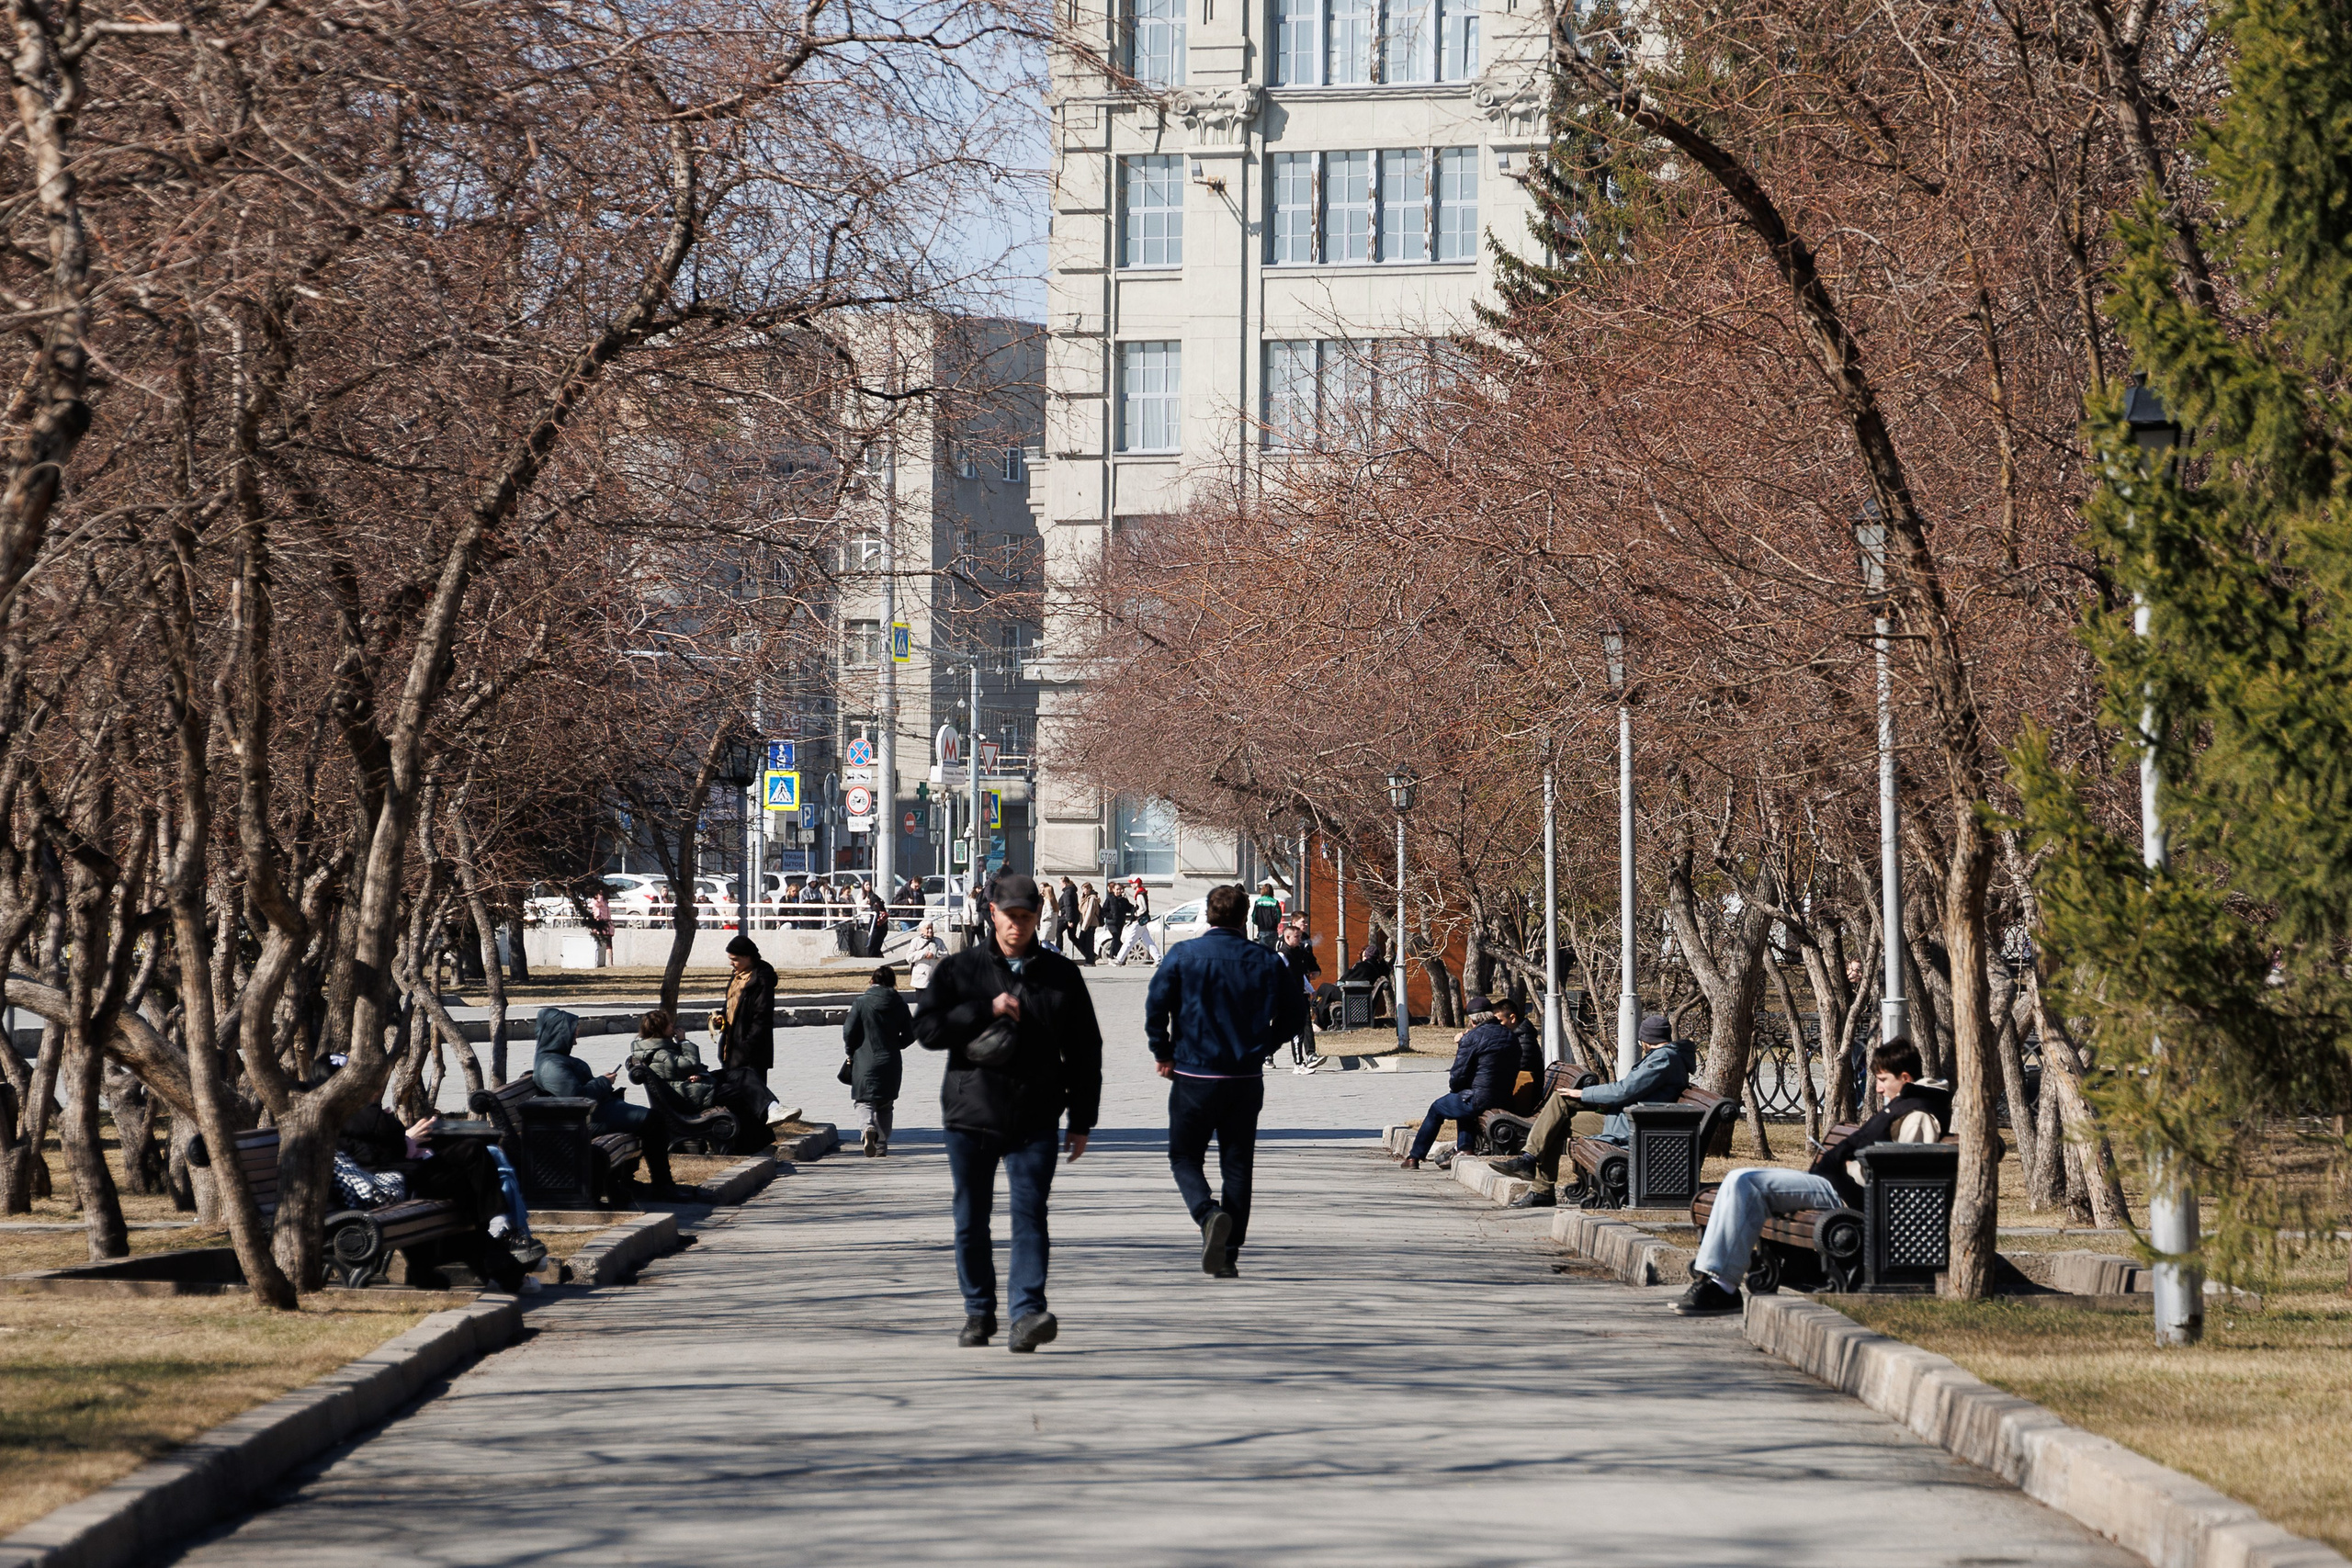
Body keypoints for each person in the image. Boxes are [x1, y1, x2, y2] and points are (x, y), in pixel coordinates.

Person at [913, 872, 1102, 1353]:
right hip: (970, 1114)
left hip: (1035, 1116)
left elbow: (1086, 1051)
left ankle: (1026, 1314)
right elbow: (927, 1031)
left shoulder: (1061, 975)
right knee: (970, 1218)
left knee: (1030, 1214)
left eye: (1026, 916)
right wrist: (984, 1009)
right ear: (992, 914)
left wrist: (1082, 1120)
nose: (1017, 925)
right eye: (1009, 916)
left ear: (1038, 916)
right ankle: (979, 1312)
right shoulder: (959, 970)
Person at [1673, 1039, 1951, 1315]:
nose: (1878, 1088)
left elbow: (1903, 1175)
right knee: (1738, 1177)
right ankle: (1711, 1276)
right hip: (1835, 1185)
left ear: (1905, 1078)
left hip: (1847, 1195)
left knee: (1748, 1184)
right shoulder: (1907, 1104)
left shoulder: (1919, 1113)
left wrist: (1853, 1165)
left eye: (1883, 1080)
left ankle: (1722, 1286)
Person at [1147, 884, 1305, 1279]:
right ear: (1245, 917)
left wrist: (1162, 1051)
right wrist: (1265, 1045)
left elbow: (1157, 1004)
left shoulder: (1184, 954)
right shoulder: (1266, 960)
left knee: (1184, 1156)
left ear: (1208, 915)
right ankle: (1229, 1253)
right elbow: (1294, 1012)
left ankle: (1207, 1213)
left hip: (1193, 1074)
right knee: (1237, 1164)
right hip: (1244, 1076)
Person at [1488, 1014, 1696, 1207]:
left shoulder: (1663, 1059)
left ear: (1646, 1039)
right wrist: (1588, 1097)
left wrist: (1584, 1094)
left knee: (1555, 1122)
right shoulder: (1665, 1057)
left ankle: (1539, 1184)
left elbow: (1625, 1090)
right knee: (1560, 1103)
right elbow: (1631, 1091)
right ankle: (1531, 1165)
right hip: (1628, 1119)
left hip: (1636, 1126)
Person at [337, 1100, 538, 1292]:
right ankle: (501, 1256)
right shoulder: (347, 1111)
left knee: (474, 1154)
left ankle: (499, 1249)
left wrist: (405, 1137)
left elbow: (381, 1145)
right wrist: (407, 1138)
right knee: (466, 1186)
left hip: (403, 1173)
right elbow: (378, 1152)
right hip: (391, 1183)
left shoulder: (357, 1111)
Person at [534, 1006, 683, 1198]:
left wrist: (602, 1083)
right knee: (653, 1121)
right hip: (583, 1121)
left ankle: (630, 1181)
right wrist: (603, 1082)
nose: (576, 1033)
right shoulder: (550, 1065)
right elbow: (577, 1097)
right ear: (558, 1032)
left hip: (596, 1112)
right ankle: (662, 1186)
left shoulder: (556, 1059)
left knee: (653, 1120)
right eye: (572, 1029)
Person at [1398, 996, 1521, 1168]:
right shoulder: (1511, 1036)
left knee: (1437, 1108)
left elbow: (1457, 1077)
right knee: (1463, 1099)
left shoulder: (1472, 1038)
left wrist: (1462, 1045)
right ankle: (1464, 1148)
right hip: (1505, 1098)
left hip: (1480, 1099)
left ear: (1472, 1020)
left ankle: (1414, 1157)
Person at [842, 964, 913, 1156]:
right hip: (891, 1061)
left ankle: (867, 1127)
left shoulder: (861, 1002)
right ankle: (881, 1144)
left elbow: (849, 1031)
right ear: (893, 983)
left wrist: (851, 1051)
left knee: (864, 1101)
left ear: (872, 981)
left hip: (864, 1059)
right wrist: (896, 1045)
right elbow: (911, 1033)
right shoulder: (900, 1004)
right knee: (885, 1104)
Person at [709, 934, 777, 1089]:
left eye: (735, 959)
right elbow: (731, 1004)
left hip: (750, 1054)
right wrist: (720, 1017)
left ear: (748, 957)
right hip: (731, 1049)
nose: (731, 963)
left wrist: (746, 1047)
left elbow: (762, 1018)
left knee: (753, 1094)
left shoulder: (761, 980)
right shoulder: (736, 976)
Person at [1275, 918, 1323, 1072]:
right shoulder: (1282, 955)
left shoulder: (1298, 953)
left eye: (1300, 937)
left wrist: (1311, 990)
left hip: (1299, 995)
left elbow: (1301, 975)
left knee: (1301, 1027)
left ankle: (1302, 1061)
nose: (1299, 939)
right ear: (1287, 937)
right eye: (1296, 937)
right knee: (1296, 1031)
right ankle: (1298, 1064)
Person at [1113, 876, 1159, 964]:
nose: (1131, 885)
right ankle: (1158, 959)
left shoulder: (1139, 894)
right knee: (1147, 940)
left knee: (1129, 940)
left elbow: (1143, 908)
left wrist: (1136, 914)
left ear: (1136, 884)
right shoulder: (1142, 893)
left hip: (1139, 921)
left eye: (1132, 883)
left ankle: (1119, 959)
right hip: (1142, 921)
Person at [909, 919, 948, 993]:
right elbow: (909, 957)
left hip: (935, 978)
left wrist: (936, 955)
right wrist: (924, 954)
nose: (930, 930)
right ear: (921, 930)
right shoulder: (916, 941)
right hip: (921, 978)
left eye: (931, 928)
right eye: (927, 928)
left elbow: (946, 956)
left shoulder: (938, 941)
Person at [1102, 881, 1133, 960]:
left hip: (1120, 922)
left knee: (1116, 939)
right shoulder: (1110, 899)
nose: (1118, 891)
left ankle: (1112, 956)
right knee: (1116, 937)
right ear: (1113, 890)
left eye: (1120, 889)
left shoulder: (1124, 900)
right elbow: (1104, 910)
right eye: (1117, 889)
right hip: (1111, 923)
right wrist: (1110, 916)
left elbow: (1130, 908)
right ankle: (1122, 956)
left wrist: (1137, 908)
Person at [1250, 882, 1283, 949]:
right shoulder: (1275, 902)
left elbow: (1254, 916)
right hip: (1273, 930)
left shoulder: (1258, 902)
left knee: (1263, 951)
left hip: (1262, 930)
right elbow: (1278, 916)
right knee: (1272, 951)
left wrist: (1258, 923)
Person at [1076, 881, 1102, 965]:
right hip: (1086, 923)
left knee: (1088, 943)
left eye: (1085, 889)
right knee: (1084, 942)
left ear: (1089, 889)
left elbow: (1089, 913)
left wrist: (1084, 926)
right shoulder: (1086, 898)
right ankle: (1092, 957)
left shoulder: (1092, 899)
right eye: (1083, 889)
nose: (1084, 891)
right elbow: (1081, 909)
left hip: (1090, 924)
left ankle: (1090, 960)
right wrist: (1082, 899)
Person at [1057, 877, 1083, 960]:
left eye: (1060, 883)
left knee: (1058, 931)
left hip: (1068, 917)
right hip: (1073, 917)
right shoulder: (1072, 891)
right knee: (1072, 936)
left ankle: (1059, 953)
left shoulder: (1067, 892)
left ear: (1064, 883)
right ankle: (1089, 954)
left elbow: (1068, 906)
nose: (1060, 885)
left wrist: (1069, 920)